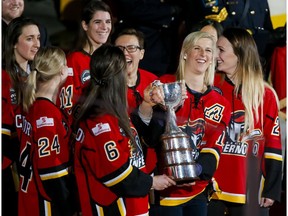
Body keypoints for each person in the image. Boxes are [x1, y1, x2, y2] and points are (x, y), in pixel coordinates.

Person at [73, 44, 176, 216]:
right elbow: (116, 173)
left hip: (134, 207)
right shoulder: (100, 121)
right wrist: (152, 182)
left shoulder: (113, 112)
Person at [136, 31, 231, 216]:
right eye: (197, 48)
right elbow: (150, 138)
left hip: (198, 191)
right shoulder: (164, 85)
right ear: (185, 53)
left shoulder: (220, 103)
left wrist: (195, 171)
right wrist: (153, 106)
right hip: (165, 188)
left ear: (213, 58)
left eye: (208, 50)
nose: (203, 54)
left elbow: (213, 147)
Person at [207, 27, 283, 216]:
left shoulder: (265, 94)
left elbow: (273, 145)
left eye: (221, 50)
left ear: (239, 55)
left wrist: (271, 188)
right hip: (210, 187)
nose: (216, 55)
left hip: (249, 189)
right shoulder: (209, 86)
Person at [18, 46, 74, 216]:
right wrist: (69, 207)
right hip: (45, 202)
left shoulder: (33, 105)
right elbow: (51, 171)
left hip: (30, 196)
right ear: (60, 71)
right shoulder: (46, 113)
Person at [2, 16, 40, 216]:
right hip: (9, 167)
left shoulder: (39, 76)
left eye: (38, 38)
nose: (37, 44)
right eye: (30, 39)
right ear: (14, 43)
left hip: (32, 163)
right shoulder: (3, 77)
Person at [58, 0, 113, 126]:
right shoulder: (74, 60)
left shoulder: (113, 59)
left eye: (108, 22)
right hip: (85, 130)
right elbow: (67, 106)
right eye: (97, 22)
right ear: (85, 25)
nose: (104, 27)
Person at [112, 28, 159, 174]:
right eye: (120, 48)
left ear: (142, 53)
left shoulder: (153, 82)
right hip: (120, 164)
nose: (125, 53)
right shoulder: (107, 86)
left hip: (150, 164)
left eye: (131, 48)